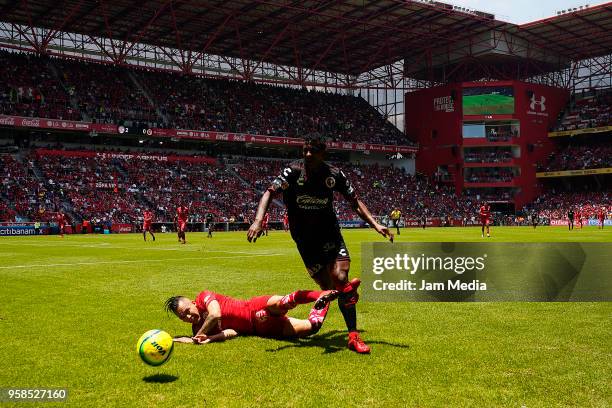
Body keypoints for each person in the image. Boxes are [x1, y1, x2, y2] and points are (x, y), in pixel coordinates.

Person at [247, 134, 393, 354]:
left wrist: (375, 224)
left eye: (312, 151)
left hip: (330, 235)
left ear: (323, 153)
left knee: (341, 277)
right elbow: (269, 192)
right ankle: (347, 294)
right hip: (305, 241)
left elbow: (354, 201)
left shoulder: (334, 175)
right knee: (329, 290)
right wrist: (258, 221)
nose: (307, 154)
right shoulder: (293, 172)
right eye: (305, 150)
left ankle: (353, 336)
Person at [165, 288, 339, 344]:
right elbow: (233, 331)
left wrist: (197, 336)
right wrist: (210, 339)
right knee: (312, 328)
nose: (188, 317)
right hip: (260, 328)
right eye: (183, 317)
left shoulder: (203, 297)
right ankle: (323, 301)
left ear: (193, 304)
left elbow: (215, 314)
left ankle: (322, 293)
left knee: (285, 302)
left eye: (187, 311)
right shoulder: (198, 328)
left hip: (253, 308)